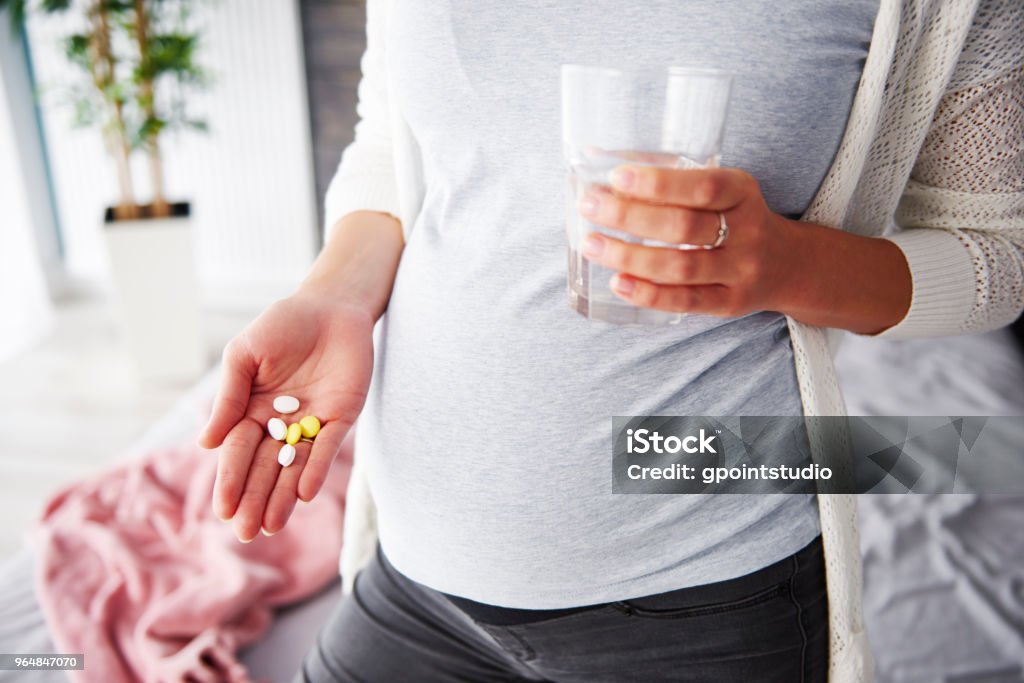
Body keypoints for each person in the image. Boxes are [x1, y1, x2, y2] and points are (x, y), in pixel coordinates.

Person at [197, 0, 1024, 680]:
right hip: (416, 571)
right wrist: (334, 296)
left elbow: (1001, 253)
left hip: (701, 601)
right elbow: (399, 134)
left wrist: (789, 265)